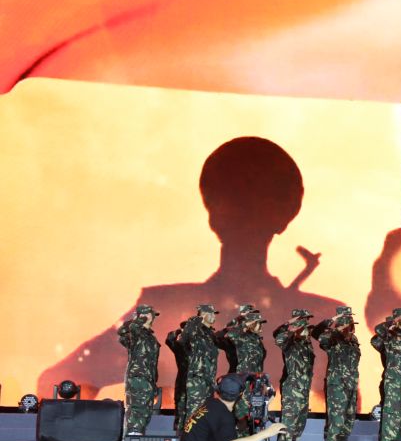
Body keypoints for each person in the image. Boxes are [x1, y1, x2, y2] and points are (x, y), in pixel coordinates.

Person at [39, 137, 343, 403]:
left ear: (285, 212)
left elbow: (345, 407)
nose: (243, 211)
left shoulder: (320, 317)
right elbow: (60, 381)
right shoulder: (163, 308)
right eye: (231, 196)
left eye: (257, 198)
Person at [316, 306, 361, 441]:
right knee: (336, 418)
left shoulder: (353, 340)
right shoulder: (332, 338)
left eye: (351, 323)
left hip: (351, 384)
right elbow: (317, 333)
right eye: (347, 323)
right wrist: (335, 323)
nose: (351, 327)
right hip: (337, 384)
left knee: (348, 418)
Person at [371, 307, 401, 441]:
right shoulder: (389, 337)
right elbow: (377, 332)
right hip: (393, 381)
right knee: (391, 415)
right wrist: (392, 322)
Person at [274, 310, 315, 441]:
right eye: (305, 329)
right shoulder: (290, 344)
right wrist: (292, 328)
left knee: (301, 418)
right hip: (293, 386)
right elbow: (278, 338)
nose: (308, 331)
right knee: (289, 418)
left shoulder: (307, 345)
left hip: (304, 387)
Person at [117, 304, 160, 435]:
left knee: (145, 411)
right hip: (138, 377)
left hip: (148, 379)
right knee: (137, 409)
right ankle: (132, 436)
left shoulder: (149, 335)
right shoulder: (136, 331)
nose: (152, 318)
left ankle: (137, 436)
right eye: (150, 315)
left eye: (151, 315)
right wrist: (140, 319)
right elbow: (123, 331)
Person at [227, 307, 267, 435]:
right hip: (245, 381)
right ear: (251, 324)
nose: (261, 325)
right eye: (259, 323)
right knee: (243, 413)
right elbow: (231, 333)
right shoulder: (242, 337)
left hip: (255, 382)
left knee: (254, 414)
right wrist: (245, 324)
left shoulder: (256, 339)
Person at [178, 304, 220, 424]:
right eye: (211, 313)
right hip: (197, 378)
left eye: (214, 314)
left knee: (207, 413)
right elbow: (183, 339)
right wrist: (197, 319)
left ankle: (204, 435)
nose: (214, 316)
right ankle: (189, 436)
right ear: (204, 315)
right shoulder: (195, 331)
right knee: (194, 413)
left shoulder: (211, 334)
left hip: (209, 379)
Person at [165, 321, 189, 430]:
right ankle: (179, 435)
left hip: (198, 384)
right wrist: (180, 331)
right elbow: (169, 340)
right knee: (180, 411)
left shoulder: (199, 345)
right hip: (182, 382)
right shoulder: (180, 346)